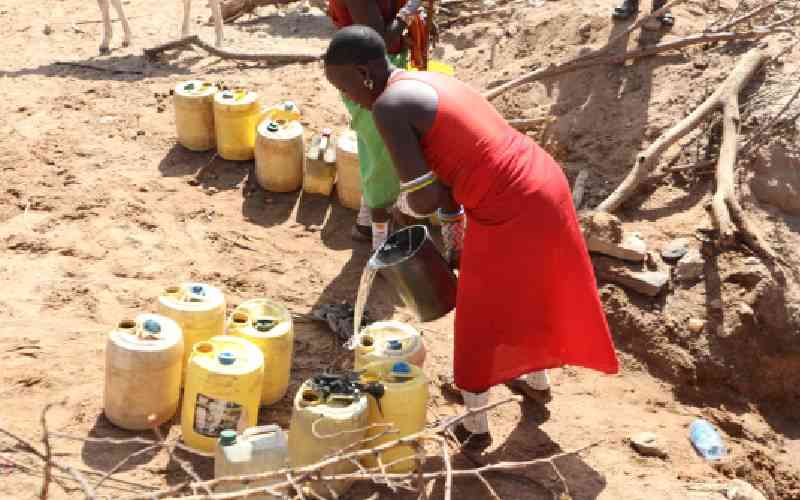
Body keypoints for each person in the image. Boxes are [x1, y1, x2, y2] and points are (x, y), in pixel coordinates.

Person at [323, 26, 620, 449]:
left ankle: (475, 425)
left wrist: (400, 210)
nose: (350, 99)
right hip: (541, 182)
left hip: (510, 205)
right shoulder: (423, 80)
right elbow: (447, 176)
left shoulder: (388, 106)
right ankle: (535, 380)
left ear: (364, 72)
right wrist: (454, 231)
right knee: (526, 293)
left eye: (347, 88)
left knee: (480, 312)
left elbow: (424, 196)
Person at [327, 0, 429, 250]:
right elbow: (380, 38)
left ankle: (367, 225)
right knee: (384, 158)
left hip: (374, 75)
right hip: (369, 80)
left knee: (376, 155)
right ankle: (380, 246)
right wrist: (410, 10)